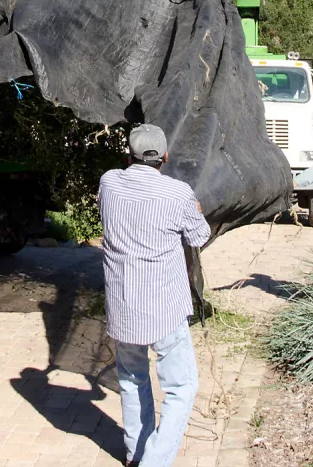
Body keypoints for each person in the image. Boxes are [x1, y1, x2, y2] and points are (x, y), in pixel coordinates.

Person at [98, 123, 211, 467]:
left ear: (128, 155)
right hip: (164, 308)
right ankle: (155, 461)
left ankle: (136, 454)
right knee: (181, 387)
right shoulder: (178, 193)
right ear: (165, 156)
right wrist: (196, 210)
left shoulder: (109, 183)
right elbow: (199, 236)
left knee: (132, 380)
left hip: (122, 306)